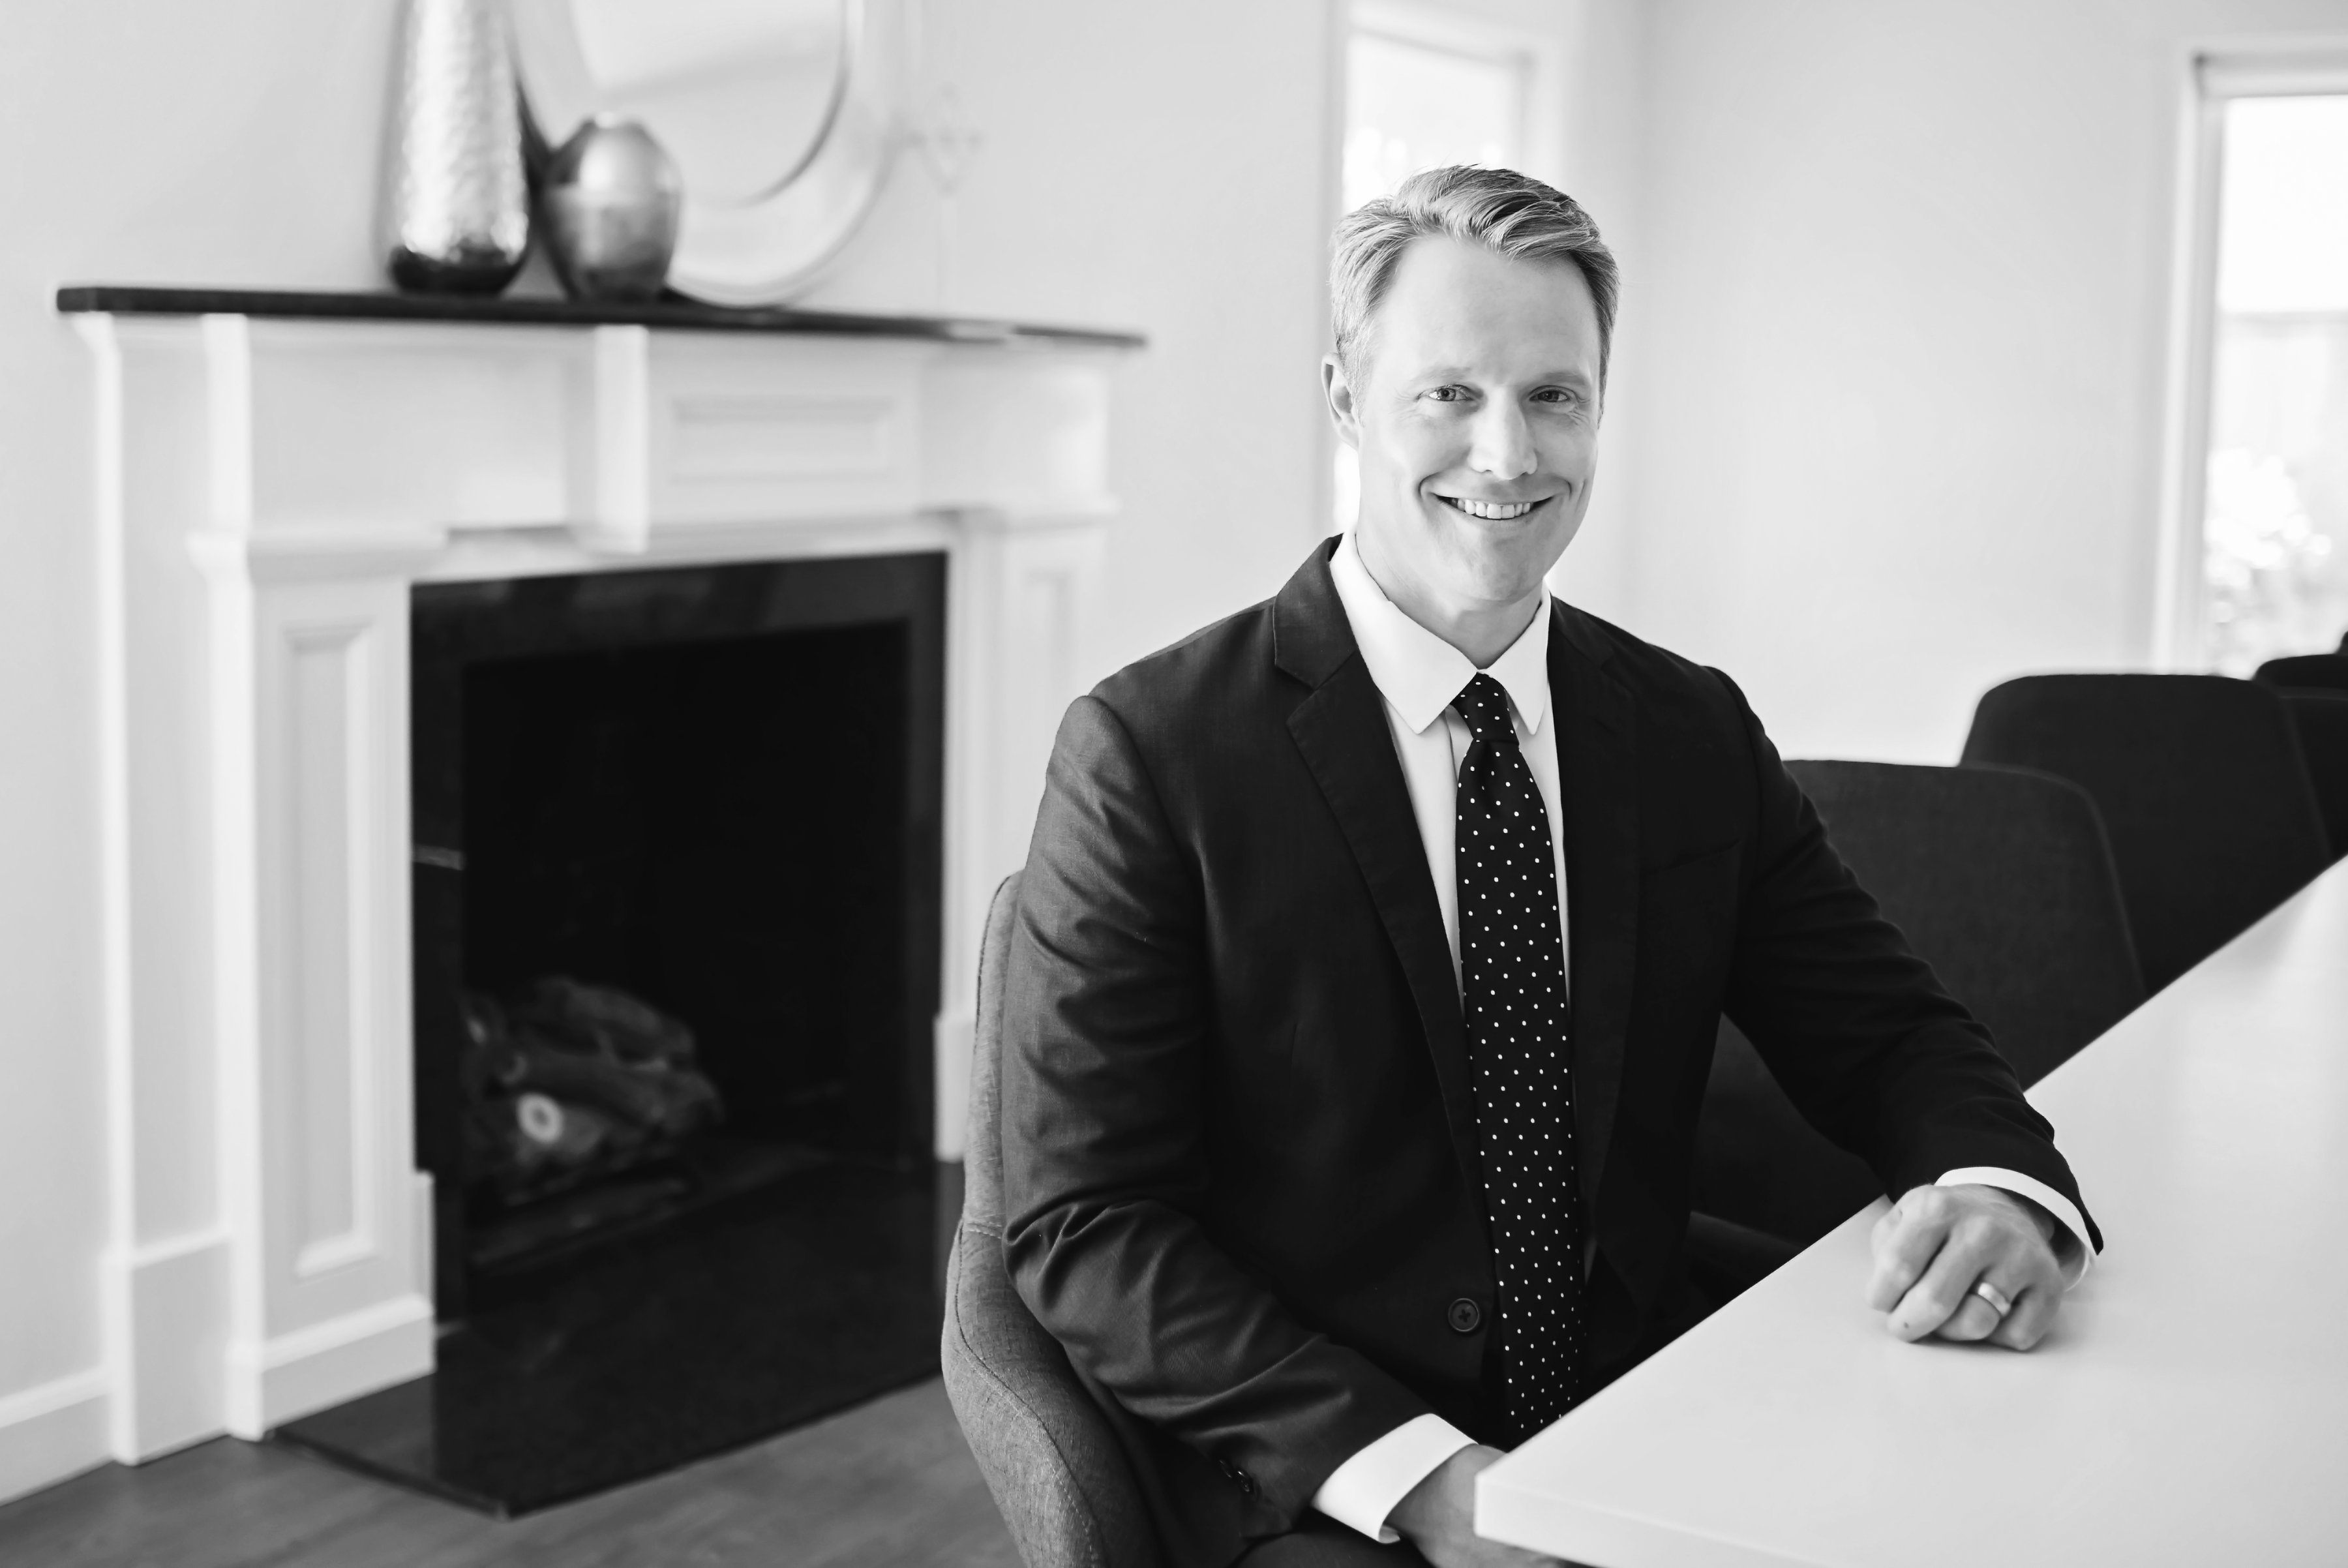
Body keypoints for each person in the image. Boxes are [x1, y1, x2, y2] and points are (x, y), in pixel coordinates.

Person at [999, 166, 2099, 1568]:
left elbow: (1886, 1032)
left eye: (1554, 396)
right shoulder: (1152, 752)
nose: (1508, 453)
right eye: (1449, 393)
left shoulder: (1688, 727)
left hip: (1639, 1402)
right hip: (1324, 1468)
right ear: (1346, 398)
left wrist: (1996, 1185)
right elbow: (1088, 1221)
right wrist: (1424, 1478)